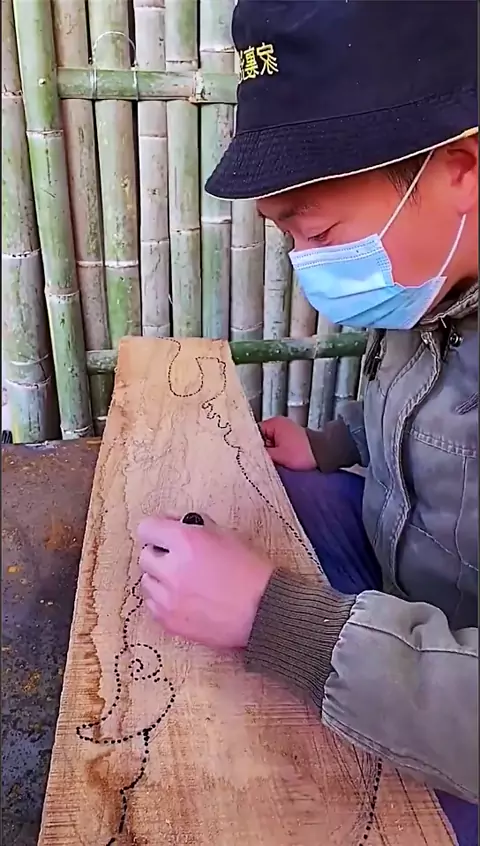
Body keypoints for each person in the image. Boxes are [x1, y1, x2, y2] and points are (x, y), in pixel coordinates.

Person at [137, 2, 478, 842]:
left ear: (462, 168)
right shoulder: (440, 281)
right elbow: (417, 404)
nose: (308, 262)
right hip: (400, 586)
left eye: (320, 231)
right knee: (258, 503)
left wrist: (277, 621)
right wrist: (331, 445)